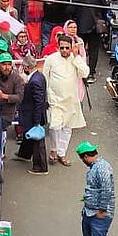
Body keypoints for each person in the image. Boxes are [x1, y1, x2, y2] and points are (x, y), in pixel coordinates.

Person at [43, 35, 89, 165]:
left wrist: (77, 57)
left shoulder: (75, 59)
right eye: (62, 47)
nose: (64, 50)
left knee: (67, 128)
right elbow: (45, 78)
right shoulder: (51, 59)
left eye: (67, 48)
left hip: (71, 100)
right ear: (58, 47)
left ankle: (61, 154)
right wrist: (47, 97)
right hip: (55, 100)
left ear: (71, 47)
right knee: (55, 126)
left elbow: (85, 73)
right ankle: (54, 150)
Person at [78, 143, 114, 236]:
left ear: (86, 157)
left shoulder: (102, 168)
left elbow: (107, 189)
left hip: (99, 213)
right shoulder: (94, 167)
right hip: (88, 211)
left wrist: (102, 209)